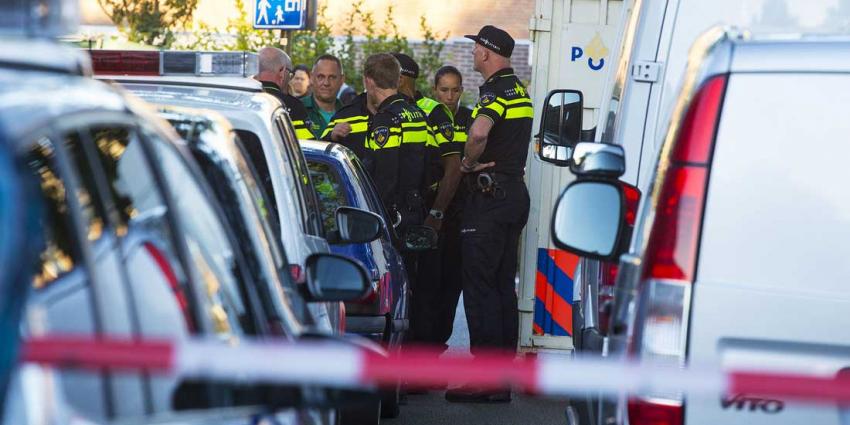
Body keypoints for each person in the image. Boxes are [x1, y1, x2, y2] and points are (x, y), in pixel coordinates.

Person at [445, 25, 532, 404]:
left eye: (477, 47)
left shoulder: (495, 92)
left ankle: (484, 379)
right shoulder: (520, 92)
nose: (475, 52)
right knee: (500, 288)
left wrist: (466, 163)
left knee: (480, 288)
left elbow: (479, 133)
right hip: (513, 194)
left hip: (489, 198)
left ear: (485, 52)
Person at [254, 47, 315, 140]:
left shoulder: (238, 100)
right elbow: (307, 148)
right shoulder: (293, 106)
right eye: (290, 74)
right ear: (282, 72)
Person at [302, 54, 345, 139]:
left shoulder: (349, 114)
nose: (326, 83)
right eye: (320, 77)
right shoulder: (298, 110)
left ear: (342, 80)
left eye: (332, 77)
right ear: (311, 78)